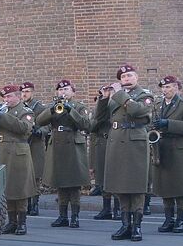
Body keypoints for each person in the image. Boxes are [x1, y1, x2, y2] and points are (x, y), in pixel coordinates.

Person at [104, 64, 154, 242]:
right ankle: (125, 225)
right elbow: (100, 119)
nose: (126, 79)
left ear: (137, 77)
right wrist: (104, 99)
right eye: (123, 77)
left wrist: (119, 94)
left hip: (135, 142)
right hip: (117, 142)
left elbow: (137, 111)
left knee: (136, 186)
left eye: (129, 76)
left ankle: (137, 226)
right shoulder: (115, 97)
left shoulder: (145, 95)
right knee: (121, 185)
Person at [37, 80, 90, 228]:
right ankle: (62, 216)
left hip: (73, 144)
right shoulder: (52, 106)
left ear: (73, 92)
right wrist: (51, 110)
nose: (63, 92)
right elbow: (39, 121)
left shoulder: (79, 107)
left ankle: (75, 216)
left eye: (66, 89)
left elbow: (86, 125)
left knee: (73, 184)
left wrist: (69, 110)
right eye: (60, 90)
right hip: (57, 146)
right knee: (60, 183)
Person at [0, 84, 38, 235]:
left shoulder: (25, 111)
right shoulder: (4, 112)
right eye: (4, 97)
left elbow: (24, 128)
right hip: (2, 153)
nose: (6, 100)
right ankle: (11, 222)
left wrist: (4, 117)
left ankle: (22, 222)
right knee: (6, 188)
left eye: (9, 96)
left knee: (19, 189)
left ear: (18, 96)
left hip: (18, 154)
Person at [151, 76, 183, 233]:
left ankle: (180, 220)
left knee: (180, 187)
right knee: (165, 186)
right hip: (162, 148)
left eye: (169, 87)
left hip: (178, 149)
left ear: (177, 87)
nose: (165, 90)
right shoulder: (158, 105)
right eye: (163, 88)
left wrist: (168, 124)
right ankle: (168, 219)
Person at [90, 84, 121, 220]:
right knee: (102, 177)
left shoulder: (118, 103)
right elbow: (94, 124)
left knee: (116, 175)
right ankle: (106, 208)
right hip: (102, 142)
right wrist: (103, 100)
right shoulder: (100, 105)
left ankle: (118, 208)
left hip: (115, 141)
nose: (107, 93)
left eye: (109, 90)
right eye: (104, 91)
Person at [20, 82, 46, 216]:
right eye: (23, 91)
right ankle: (27, 203)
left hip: (35, 145)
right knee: (25, 176)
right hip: (23, 144)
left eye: (27, 91)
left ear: (33, 92)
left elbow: (47, 125)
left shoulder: (39, 107)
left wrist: (40, 131)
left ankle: (35, 204)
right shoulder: (20, 108)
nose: (24, 94)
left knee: (35, 177)